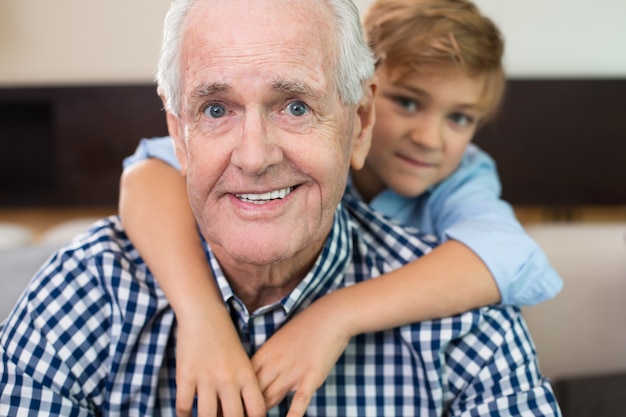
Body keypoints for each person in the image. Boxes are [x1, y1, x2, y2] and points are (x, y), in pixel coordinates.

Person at [0, 0, 562, 415]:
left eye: (296, 105)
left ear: (357, 121)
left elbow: (506, 254)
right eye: (216, 109)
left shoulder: (464, 309)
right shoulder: (88, 289)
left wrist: (335, 314)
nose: (254, 156)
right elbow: (147, 175)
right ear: (180, 132)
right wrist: (200, 314)